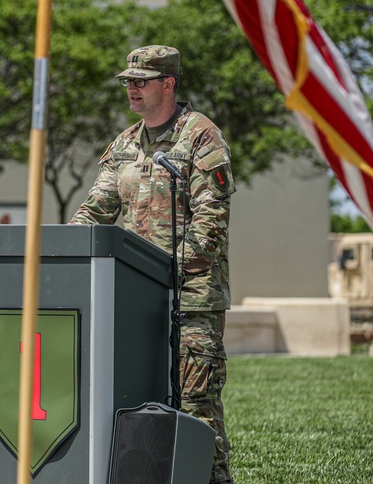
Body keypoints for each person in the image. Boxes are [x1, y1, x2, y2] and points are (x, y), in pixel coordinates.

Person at [70, 45, 235, 484]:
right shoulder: (124, 144)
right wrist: (67, 248)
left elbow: (211, 222)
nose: (132, 89)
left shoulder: (200, 136)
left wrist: (163, 273)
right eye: (128, 82)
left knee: (196, 406)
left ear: (168, 83)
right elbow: (95, 211)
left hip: (191, 300)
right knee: (136, 402)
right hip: (133, 300)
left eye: (141, 81)